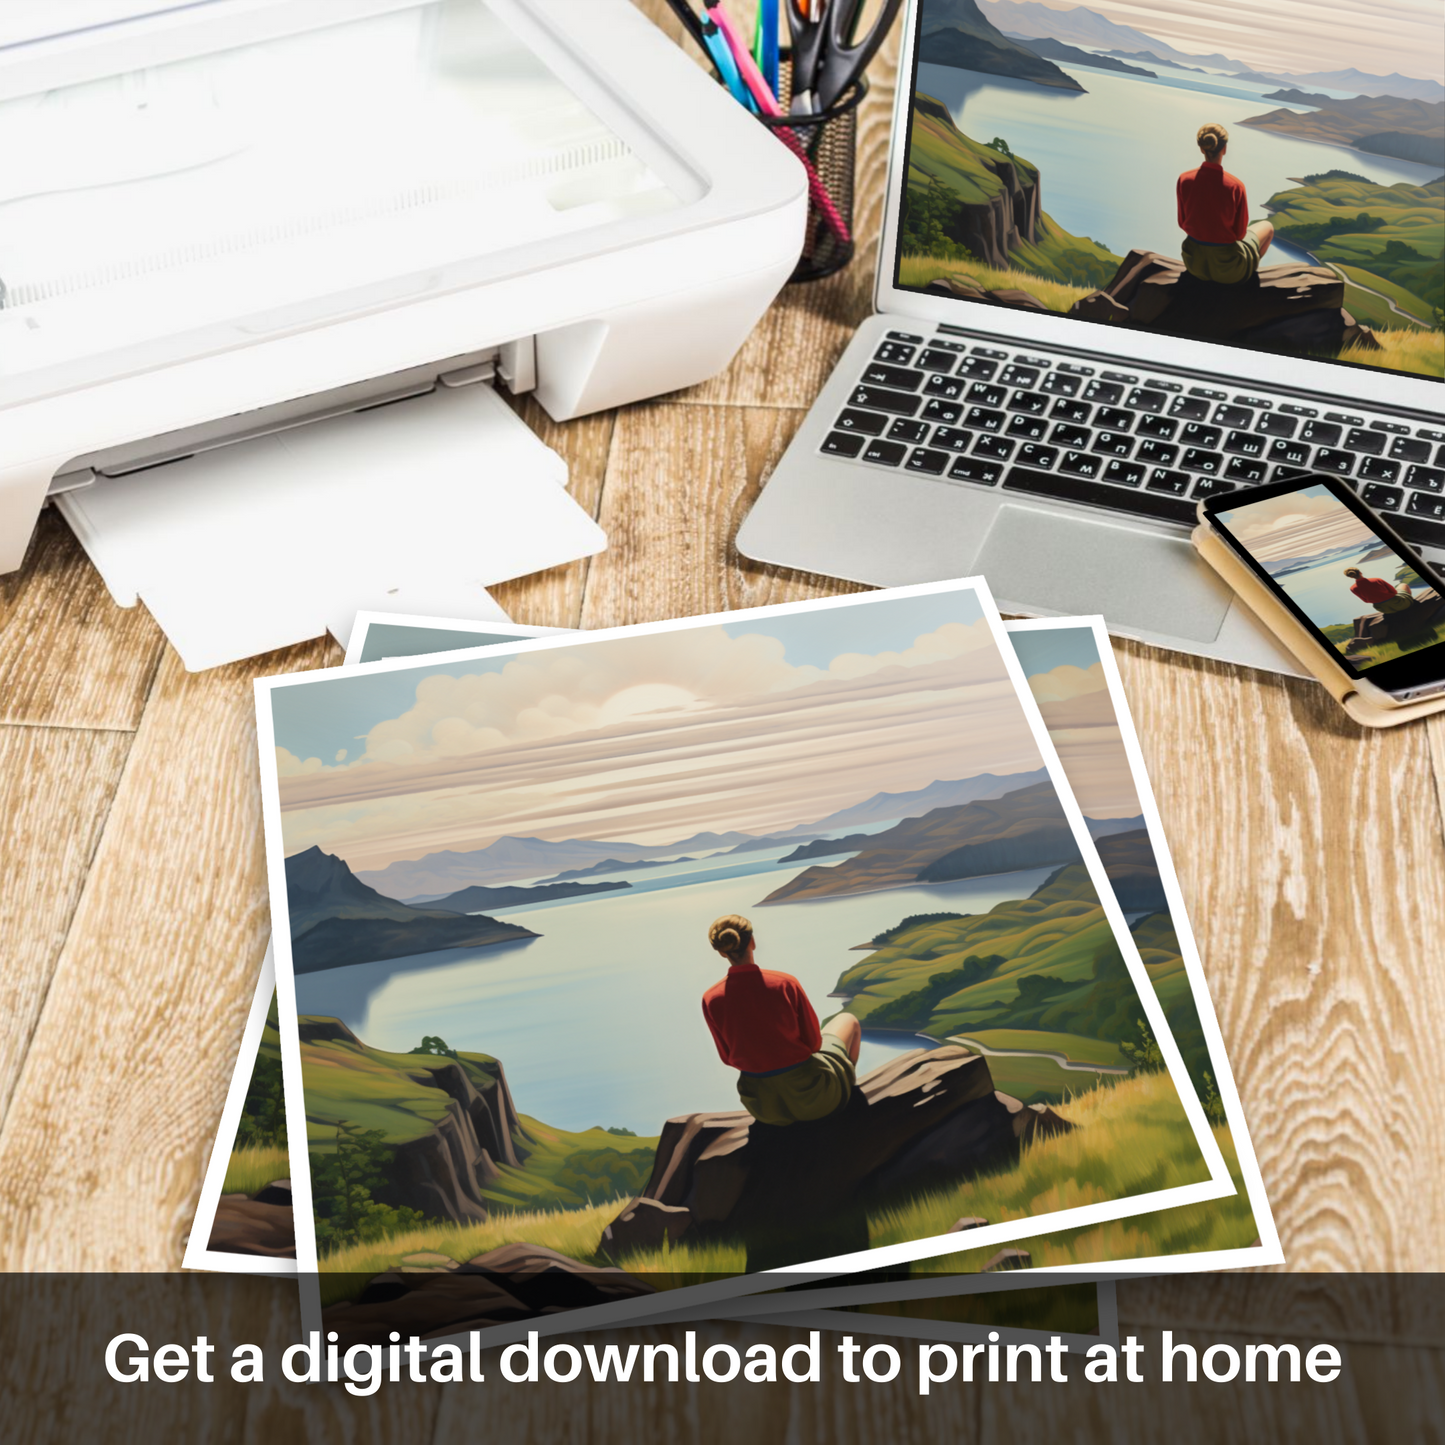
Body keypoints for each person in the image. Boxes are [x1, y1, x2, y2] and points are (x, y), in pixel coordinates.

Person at [701, 914, 861, 1127]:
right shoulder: (784, 984)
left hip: (764, 1108)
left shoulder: (711, 999)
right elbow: (814, 1044)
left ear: (722, 952)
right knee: (848, 1020)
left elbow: (728, 1058)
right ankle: (848, 1092)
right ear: (753, 942)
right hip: (816, 1099)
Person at [1177, 123, 1274, 285]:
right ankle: (1249, 276)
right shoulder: (1235, 186)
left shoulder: (1184, 179)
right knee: (1268, 227)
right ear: (1224, 148)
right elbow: (1240, 234)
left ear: (1202, 149)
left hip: (1194, 263)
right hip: (1228, 270)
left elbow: (1182, 223)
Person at [1344, 566, 1412, 612]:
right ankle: (1412, 603)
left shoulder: (1353, 588)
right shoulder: (1376, 580)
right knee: (1403, 585)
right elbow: (1394, 592)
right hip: (1399, 603)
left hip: (1384, 609)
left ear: (1350, 577)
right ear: (1360, 572)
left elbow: (1366, 601)